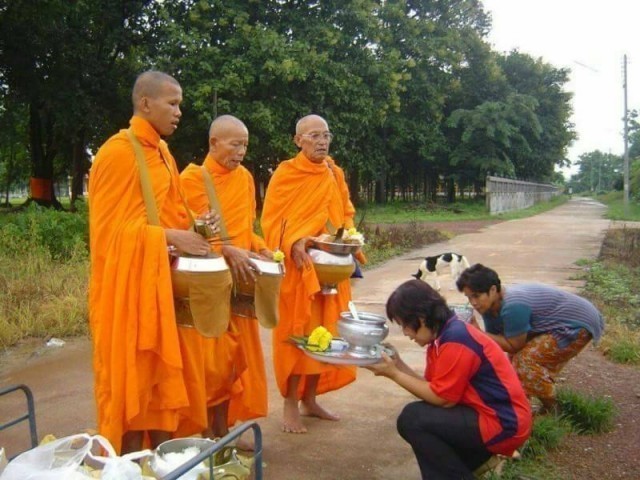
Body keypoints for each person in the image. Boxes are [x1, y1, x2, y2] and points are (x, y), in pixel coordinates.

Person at [88, 70, 219, 454]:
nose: (179, 112)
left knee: (163, 382)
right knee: (134, 383)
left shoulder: (162, 152)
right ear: (145, 103)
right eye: (172, 103)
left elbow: (167, 214)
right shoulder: (117, 152)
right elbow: (108, 234)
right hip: (127, 292)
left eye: (180, 104)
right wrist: (168, 237)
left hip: (161, 284)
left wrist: (194, 227)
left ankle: (163, 462)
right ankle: (129, 463)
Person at [366, 279, 532, 479]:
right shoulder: (444, 336)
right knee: (423, 419)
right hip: (490, 417)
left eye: (405, 325)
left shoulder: (457, 339)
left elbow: (442, 399)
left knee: (413, 418)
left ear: (422, 317)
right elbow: (433, 389)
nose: (406, 333)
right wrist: (398, 364)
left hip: (503, 424)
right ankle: (474, 461)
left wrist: (394, 374)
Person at [260, 114, 362, 433]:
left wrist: (347, 238)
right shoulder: (286, 174)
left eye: (326, 135)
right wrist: (294, 242)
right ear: (298, 140)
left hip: (330, 265)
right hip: (298, 267)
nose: (322, 141)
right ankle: (291, 401)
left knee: (326, 332)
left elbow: (344, 211)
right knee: (297, 331)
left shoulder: (334, 172)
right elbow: (272, 220)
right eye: (314, 135)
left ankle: (311, 399)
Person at [179, 115, 271, 447]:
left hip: (240, 283)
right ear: (213, 143)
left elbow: (245, 228)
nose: (241, 151)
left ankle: (221, 428)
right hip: (207, 285)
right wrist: (226, 250)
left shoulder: (245, 178)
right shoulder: (191, 180)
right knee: (210, 363)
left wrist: (261, 249)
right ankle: (204, 431)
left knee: (234, 361)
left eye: (245, 145)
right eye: (235, 144)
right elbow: (189, 235)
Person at [456, 263, 605, 413]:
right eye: (469, 297)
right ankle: (522, 409)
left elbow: (514, 345)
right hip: (553, 325)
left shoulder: (513, 306)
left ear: (493, 290)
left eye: (476, 296)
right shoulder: (489, 307)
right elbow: (497, 342)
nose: (473, 303)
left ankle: (555, 410)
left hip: (577, 323)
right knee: (515, 364)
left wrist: (476, 332)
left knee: (525, 361)